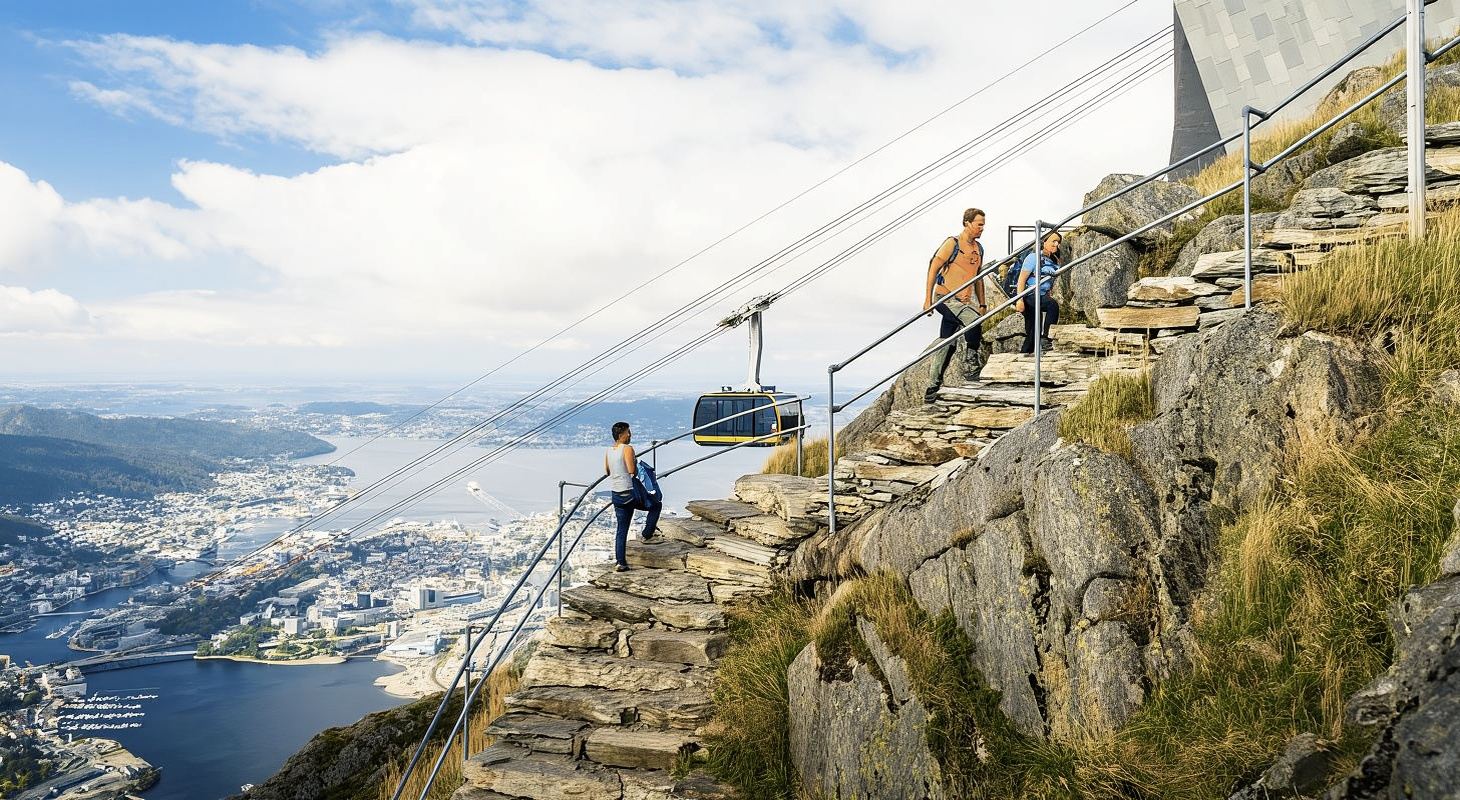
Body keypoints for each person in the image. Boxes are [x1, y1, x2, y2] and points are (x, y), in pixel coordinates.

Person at [922, 208, 989, 404]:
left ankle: (932, 387)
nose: (982, 228)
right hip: (945, 297)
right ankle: (971, 367)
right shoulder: (952, 244)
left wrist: (982, 302)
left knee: (946, 342)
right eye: (979, 224)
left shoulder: (979, 249)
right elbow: (933, 268)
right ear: (967, 223)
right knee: (974, 322)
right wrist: (928, 300)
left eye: (983, 225)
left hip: (963, 301)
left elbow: (978, 278)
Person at [604, 421, 659, 572]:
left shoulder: (609, 450)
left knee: (622, 529)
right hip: (628, 492)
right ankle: (647, 534)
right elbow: (631, 470)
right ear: (621, 434)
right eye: (628, 432)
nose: (630, 435)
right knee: (655, 505)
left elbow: (607, 471)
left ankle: (620, 562)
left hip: (616, 494)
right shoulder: (627, 449)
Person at [1015, 231, 1061, 355]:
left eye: (1058, 242)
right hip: (1030, 295)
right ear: (1044, 241)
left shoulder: (1054, 262)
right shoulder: (1033, 258)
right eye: (1053, 241)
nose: (1056, 244)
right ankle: (1045, 339)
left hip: (1042, 296)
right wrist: (1019, 300)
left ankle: (1025, 355)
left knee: (1033, 330)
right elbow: (1022, 279)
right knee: (1052, 306)